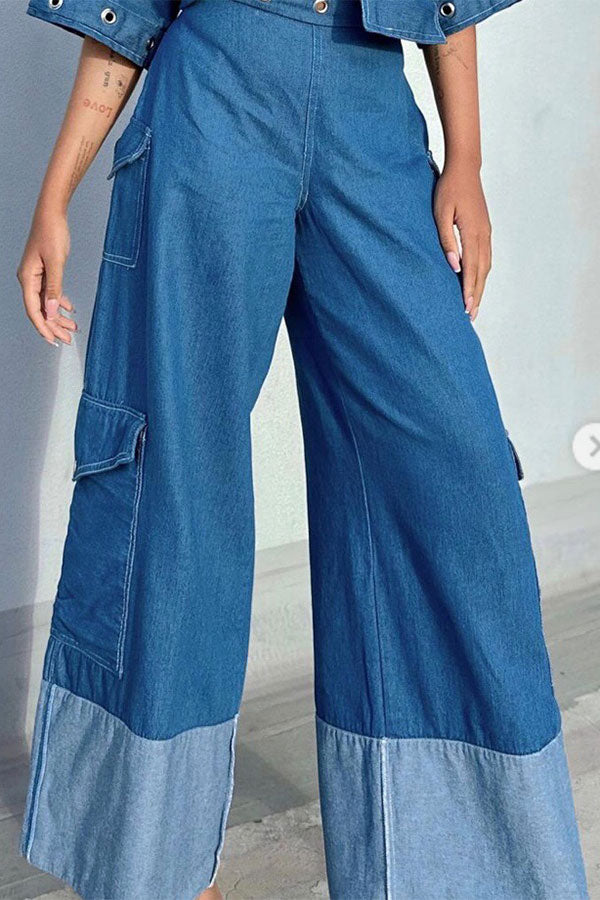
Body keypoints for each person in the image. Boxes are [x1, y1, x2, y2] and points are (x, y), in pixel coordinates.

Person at [17, 0, 588, 898]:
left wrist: (466, 160)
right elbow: (125, 12)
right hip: (213, 96)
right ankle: (159, 868)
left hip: (370, 106)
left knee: (456, 473)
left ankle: (443, 870)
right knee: (172, 476)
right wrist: (55, 195)